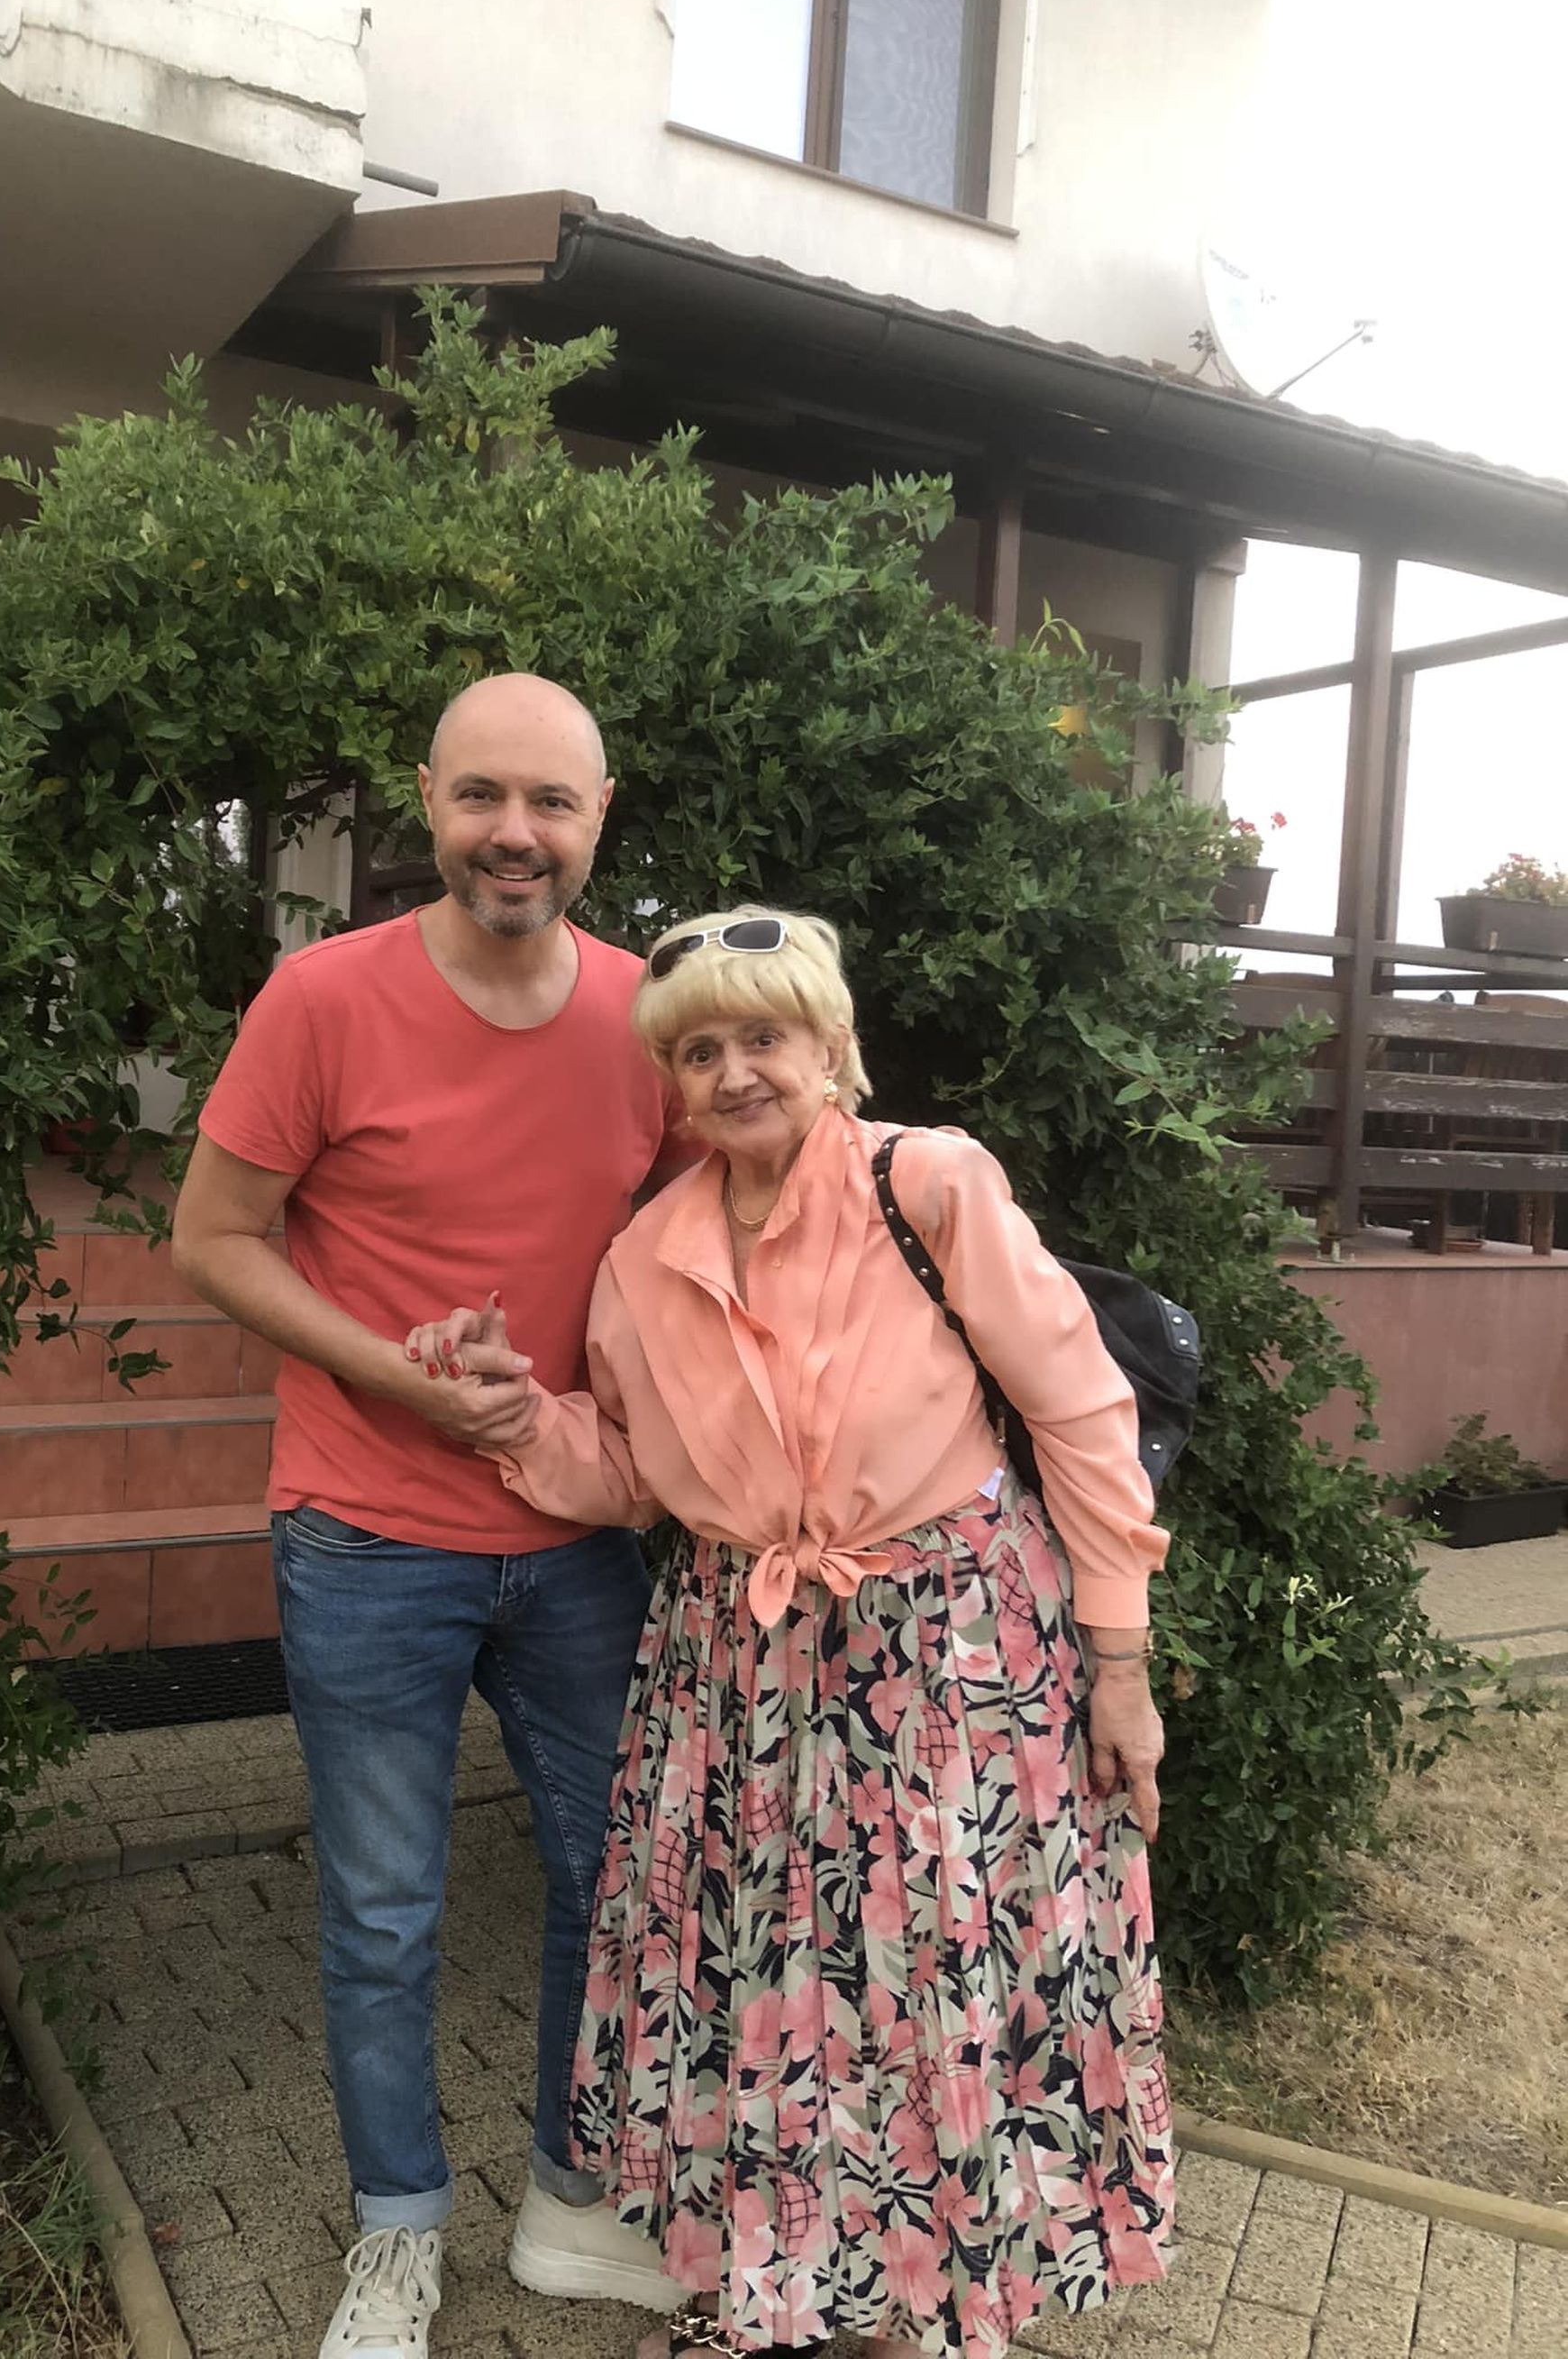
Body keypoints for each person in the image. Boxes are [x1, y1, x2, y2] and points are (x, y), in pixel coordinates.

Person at [405, 908, 1175, 2359]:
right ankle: (765, 2293)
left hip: (954, 1648)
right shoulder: (647, 1257)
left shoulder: (928, 1185)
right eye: (699, 1051)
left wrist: (1118, 1661)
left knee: (929, 1972)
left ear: (830, 1046)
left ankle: (915, 2304)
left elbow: (1081, 1410)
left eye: (763, 1035)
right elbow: (629, 1473)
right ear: (672, 1083)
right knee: (760, 1980)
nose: (735, 1072)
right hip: (740, 1665)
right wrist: (511, 1415)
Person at [171, 672, 695, 2359]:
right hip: (365, 1530)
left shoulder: (651, 1018)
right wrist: (401, 1380)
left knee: (617, 1877)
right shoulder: (322, 998)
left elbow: (711, 1244)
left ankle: (571, 2200)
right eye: (481, 796)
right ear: (427, 800)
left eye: (549, 802)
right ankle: (397, 2231)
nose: (512, 834)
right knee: (384, 1911)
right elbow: (213, 1237)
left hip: (577, 1537)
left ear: (600, 815)